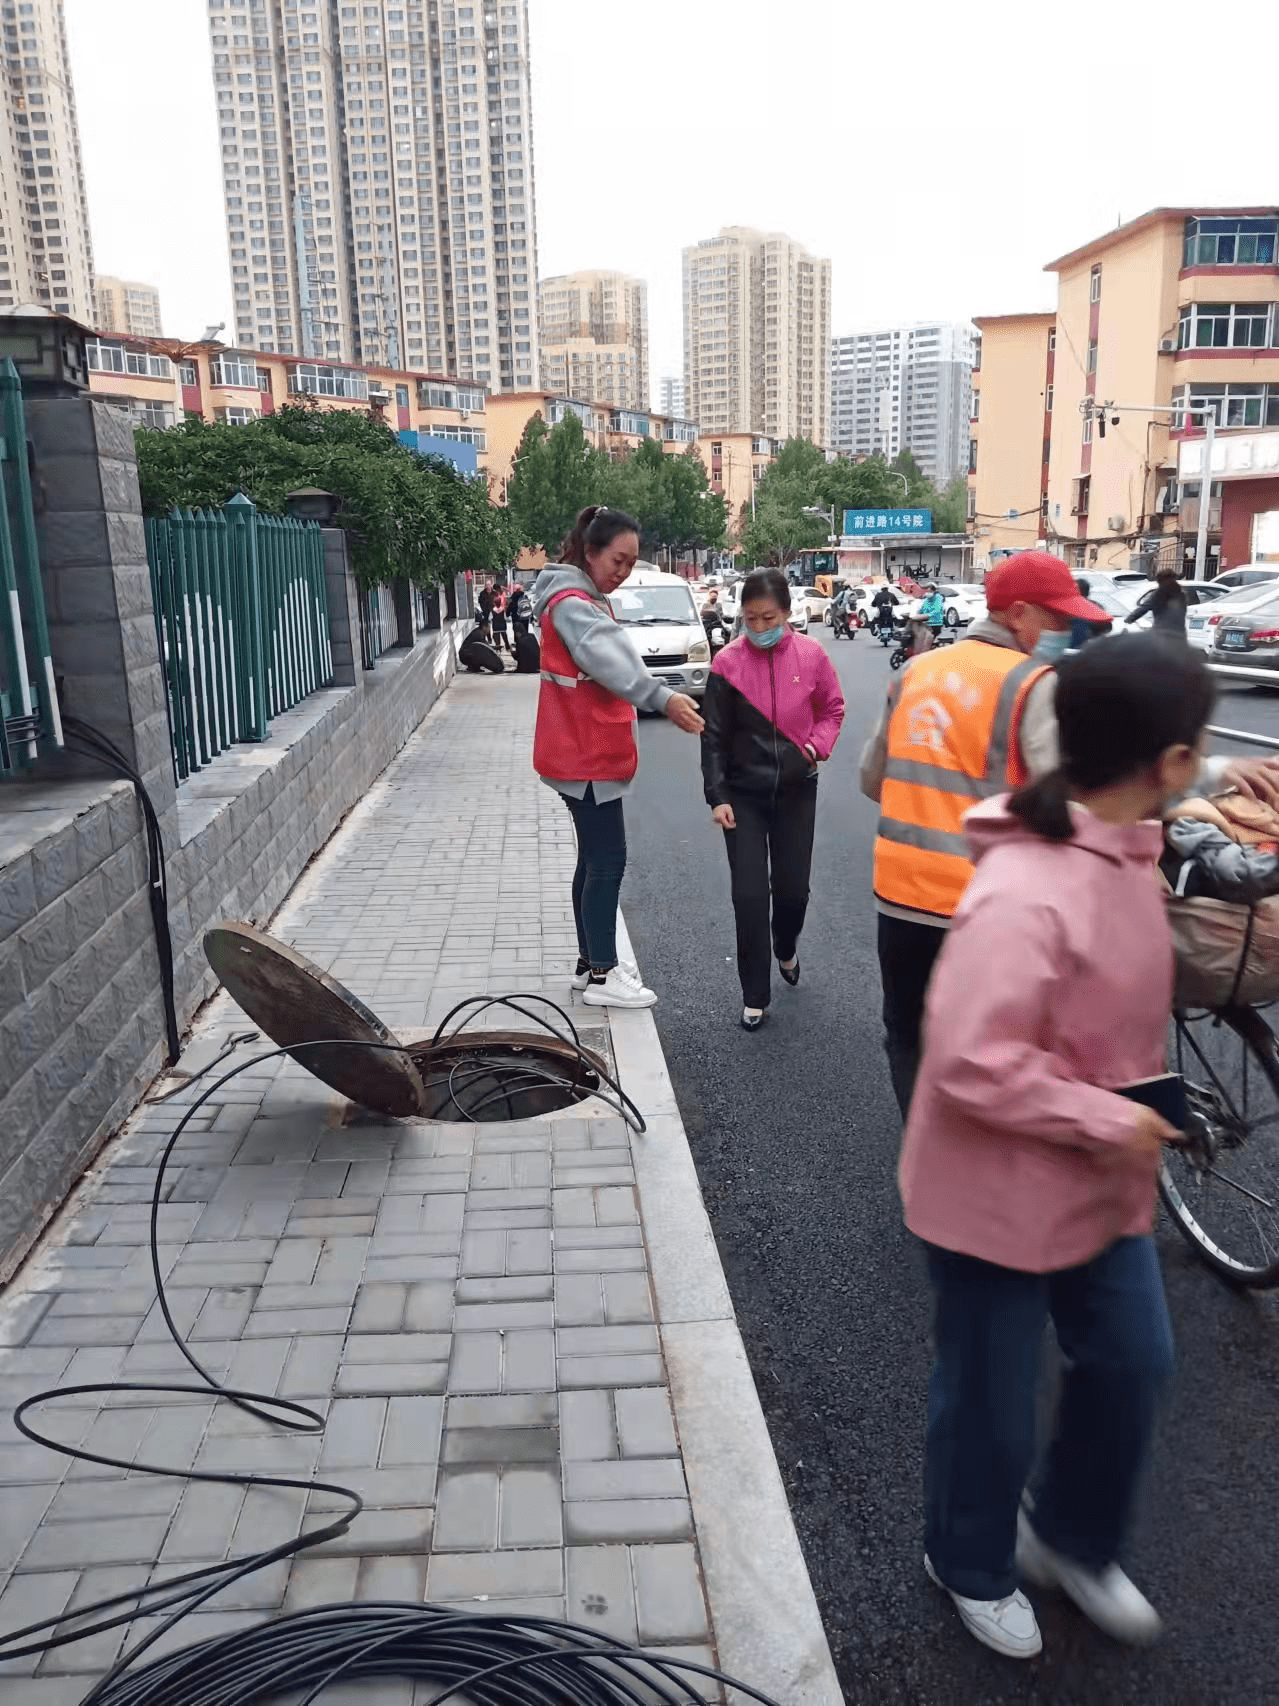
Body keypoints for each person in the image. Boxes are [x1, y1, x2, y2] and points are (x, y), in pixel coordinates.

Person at [903, 633, 1214, 1660]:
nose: (1207, 761)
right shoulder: (1024, 893)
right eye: (1200, 745)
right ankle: (967, 1556)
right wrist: (1108, 1117)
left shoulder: (1130, 849)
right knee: (989, 1399)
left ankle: (1072, 1535)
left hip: (1094, 1177)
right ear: (1164, 760)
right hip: (993, 1188)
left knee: (1129, 1361)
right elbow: (966, 1061)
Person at [859, 548, 1279, 1118]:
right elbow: (1087, 787)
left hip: (902, 895)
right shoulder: (1034, 683)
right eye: (1056, 618)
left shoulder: (915, 671)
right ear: (1019, 614)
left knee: (909, 1033)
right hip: (996, 908)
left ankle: (928, 1156)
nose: (1065, 629)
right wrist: (1200, 778)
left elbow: (871, 779)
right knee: (1019, 1047)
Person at [533, 505, 704, 1009]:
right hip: (586, 754)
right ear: (589, 552)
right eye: (618, 560)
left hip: (580, 751)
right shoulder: (574, 604)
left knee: (593, 860)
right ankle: (604, 975)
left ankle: (592, 965)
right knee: (607, 861)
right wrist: (663, 697)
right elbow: (612, 663)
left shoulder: (580, 597)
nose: (624, 572)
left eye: (631, 562)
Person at [701, 568, 846, 1030]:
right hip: (742, 796)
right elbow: (713, 737)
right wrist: (716, 795)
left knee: (791, 890)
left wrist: (814, 747)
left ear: (787, 613)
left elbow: (833, 709)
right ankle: (755, 994)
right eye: (750, 619)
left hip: (796, 792)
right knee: (748, 895)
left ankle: (786, 946)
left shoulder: (813, 655)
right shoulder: (726, 663)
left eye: (768, 618)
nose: (759, 628)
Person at [1126, 566, 1188, 638]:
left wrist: (1128, 620)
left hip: (1161, 633)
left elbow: (1142, 609)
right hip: (1180, 634)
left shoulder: (1159, 595)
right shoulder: (1181, 594)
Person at [490, 584, 510, 654]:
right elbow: (505, 604)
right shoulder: (502, 597)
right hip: (502, 622)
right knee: (504, 634)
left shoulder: (493, 608)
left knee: (496, 634)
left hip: (495, 623)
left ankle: (498, 646)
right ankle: (507, 646)